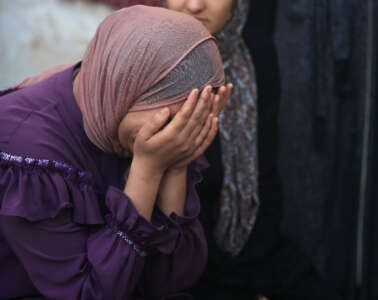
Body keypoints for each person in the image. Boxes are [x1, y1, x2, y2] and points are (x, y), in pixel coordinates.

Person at [105, 1, 344, 299]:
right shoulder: (139, 67)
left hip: (255, 254)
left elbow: (265, 181)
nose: (194, 5)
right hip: (170, 265)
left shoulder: (254, 56)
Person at [0, 5, 232, 299]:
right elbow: (91, 293)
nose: (172, 135)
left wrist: (175, 166)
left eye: (186, 122)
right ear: (124, 88)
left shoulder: (136, 124)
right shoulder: (26, 148)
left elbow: (170, 282)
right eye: (166, 119)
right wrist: (146, 172)